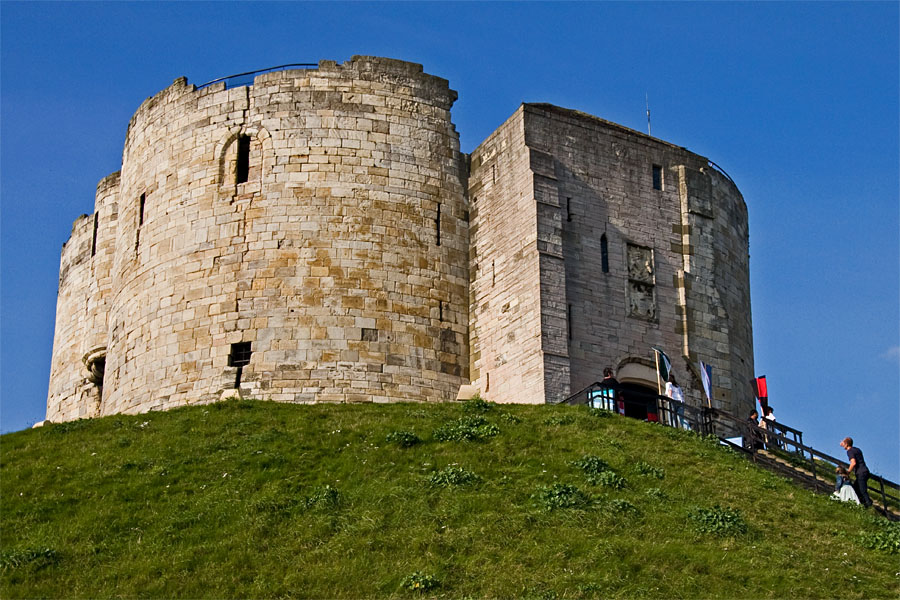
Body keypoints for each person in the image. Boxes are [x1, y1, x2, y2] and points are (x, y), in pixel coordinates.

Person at [840, 437, 872, 507]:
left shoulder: (850, 451)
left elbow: (853, 462)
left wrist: (848, 472)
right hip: (865, 471)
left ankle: (869, 504)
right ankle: (862, 503)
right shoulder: (857, 449)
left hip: (860, 473)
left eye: (843, 443)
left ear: (846, 444)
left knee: (862, 490)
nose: (842, 444)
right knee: (856, 489)